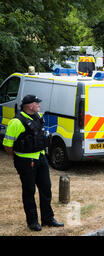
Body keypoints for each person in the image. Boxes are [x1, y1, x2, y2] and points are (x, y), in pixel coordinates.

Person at [2, 95, 64, 231]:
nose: (39, 105)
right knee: (29, 191)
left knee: (46, 189)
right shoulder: (16, 122)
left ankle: (48, 219)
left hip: (41, 158)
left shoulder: (37, 116)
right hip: (25, 161)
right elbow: (7, 144)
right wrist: (16, 157)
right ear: (30, 105)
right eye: (37, 103)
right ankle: (33, 222)